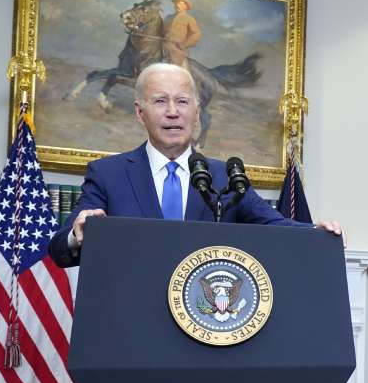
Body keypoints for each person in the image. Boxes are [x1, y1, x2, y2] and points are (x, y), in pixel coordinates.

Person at [49, 63, 342, 268]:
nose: (173, 112)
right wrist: (78, 234)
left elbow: (276, 225)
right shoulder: (108, 174)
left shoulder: (225, 176)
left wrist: (313, 231)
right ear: (140, 113)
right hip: (132, 324)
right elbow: (60, 249)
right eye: (161, 101)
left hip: (205, 325)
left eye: (183, 101)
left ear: (197, 112)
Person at [164, 0, 201, 69]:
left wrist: (184, 45)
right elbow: (161, 32)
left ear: (186, 6)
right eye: (176, 3)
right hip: (164, 48)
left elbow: (196, 34)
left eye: (180, 3)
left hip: (178, 51)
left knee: (176, 71)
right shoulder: (168, 18)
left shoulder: (189, 19)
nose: (177, 5)